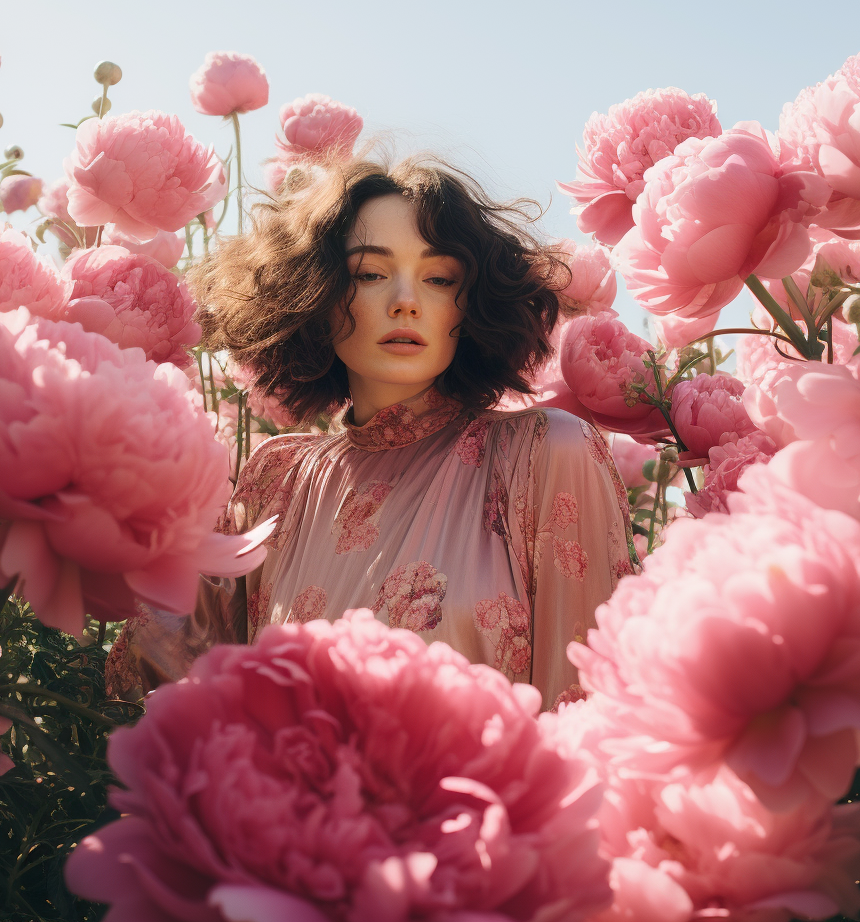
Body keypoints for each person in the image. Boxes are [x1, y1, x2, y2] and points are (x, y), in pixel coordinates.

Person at [105, 154, 638, 709]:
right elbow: (174, 685)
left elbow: (589, 714)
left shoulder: (545, 454)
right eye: (370, 274)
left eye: (438, 278)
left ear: (469, 301)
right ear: (318, 292)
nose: (405, 301)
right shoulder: (278, 479)